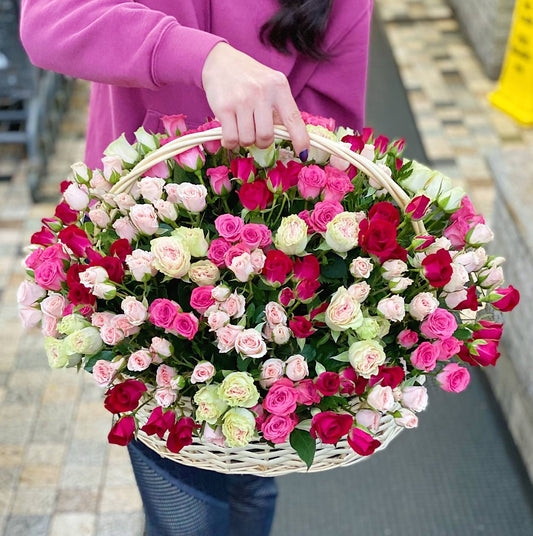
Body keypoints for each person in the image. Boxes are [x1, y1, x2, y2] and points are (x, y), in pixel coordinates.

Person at [19, 1, 373, 535]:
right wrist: (203, 58)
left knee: (251, 466)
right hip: (133, 254)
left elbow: (332, 140)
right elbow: (46, 20)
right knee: (178, 488)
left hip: (264, 266)